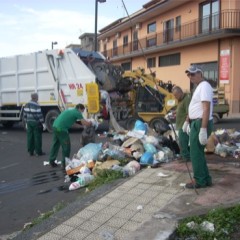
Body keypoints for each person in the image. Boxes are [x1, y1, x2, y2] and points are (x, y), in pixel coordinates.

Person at [183, 65, 213, 189]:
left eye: (193, 74)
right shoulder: (199, 87)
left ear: (200, 73)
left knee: (195, 153)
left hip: (200, 123)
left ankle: (199, 180)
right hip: (196, 122)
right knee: (199, 153)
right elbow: (195, 107)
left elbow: (206, 108)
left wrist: (203, 129)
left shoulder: (204, 86)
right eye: (189, 74)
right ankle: (206, 179)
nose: (191, 76)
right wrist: (187, 120)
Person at [48, 104, 93, 168]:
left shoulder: (70, 111)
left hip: (55, 127)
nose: (82, 112)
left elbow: (72, 124)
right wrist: (90, 123)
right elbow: (85, 123)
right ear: (79, 108)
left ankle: (51, 161)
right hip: (62, 130)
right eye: (82, 111)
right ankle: (64, 163)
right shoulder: (77, 112)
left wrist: (81, 127)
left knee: (55, 144)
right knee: (66, 147)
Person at [172, 86, 191, 162]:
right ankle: (183, 155)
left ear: (180, 93)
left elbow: (188, 113)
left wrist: (186, 123)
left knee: (183, 141)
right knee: (181, 141)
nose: (175, 97)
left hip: (183, 125)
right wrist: (175, 112)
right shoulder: (180, 100)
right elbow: (180, 109)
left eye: (176, 95)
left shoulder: (187, 99)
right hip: (180, 124)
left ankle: (186, 157)